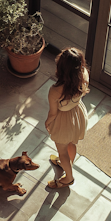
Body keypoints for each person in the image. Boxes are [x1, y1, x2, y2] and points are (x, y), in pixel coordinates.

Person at [45, 47, 89, 189]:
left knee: (62, 150)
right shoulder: (84, 74)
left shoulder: (55, 90)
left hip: (64, 121)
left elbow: (53, 113)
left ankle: (68, 178)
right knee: (71, 143)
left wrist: (48, 123)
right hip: (78, 115)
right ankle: (67, 163)